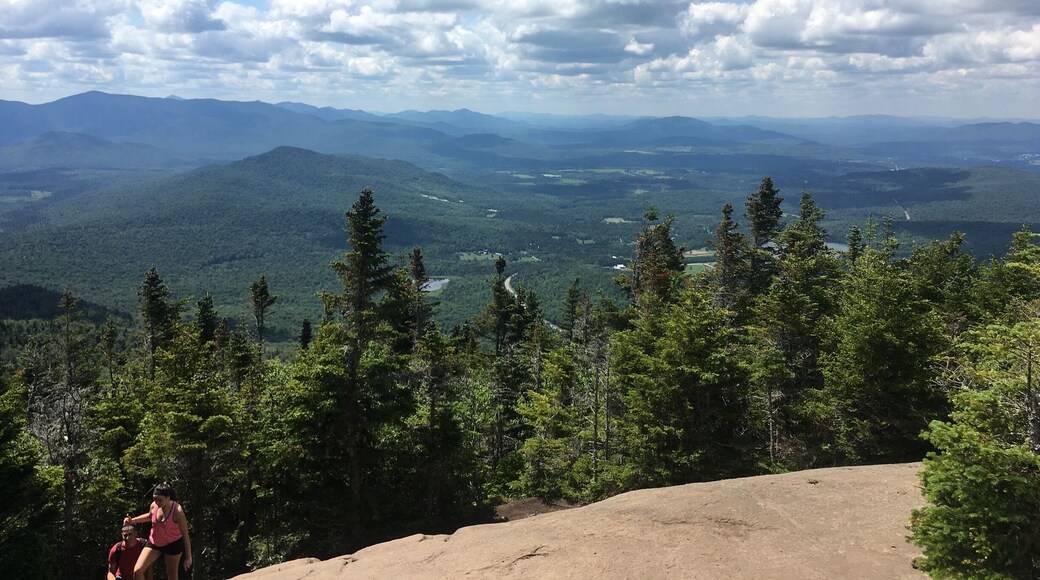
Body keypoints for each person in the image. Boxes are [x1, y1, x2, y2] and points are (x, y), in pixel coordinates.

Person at [124, 482, 193, 580]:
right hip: (155, 542)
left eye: (160, 500)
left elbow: (185, 534)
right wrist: (132, 521)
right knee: (137, 571)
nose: (157, 502)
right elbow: (150, 516)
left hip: (172, 544)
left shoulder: (177, 511)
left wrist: (188, 556)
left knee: (172, 576)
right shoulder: (154, 505)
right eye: (155, 499)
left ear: (168, 497)